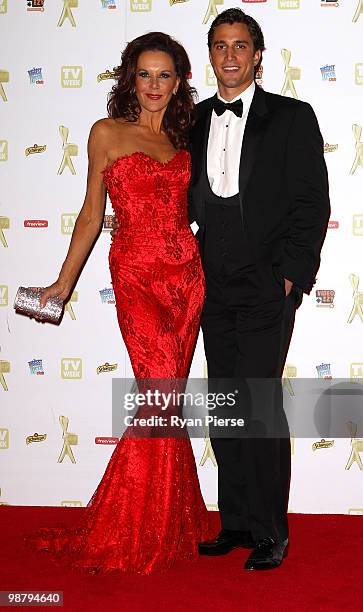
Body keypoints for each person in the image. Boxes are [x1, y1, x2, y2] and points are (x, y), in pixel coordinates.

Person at [26, 32, 216, 575]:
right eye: (144, 74)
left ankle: (168, 521)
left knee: (168, 401)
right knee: (158, 393)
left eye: (164, 75)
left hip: (187, 277)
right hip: (136, 274)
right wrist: (62, 284)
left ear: (178, 82)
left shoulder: (186, 138)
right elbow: (91, 214)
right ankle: (131, 524)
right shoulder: (107, 133)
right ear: (129, 79)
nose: (154, 85)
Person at [189, 8, 330, 570]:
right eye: (220, 46)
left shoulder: (294, 118)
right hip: (211, 286)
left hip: (267, 286)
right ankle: (237, 523)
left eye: (240, 46)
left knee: (259, 405)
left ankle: (272, 532)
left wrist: (292, 275)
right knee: (226, 405)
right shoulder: (194, 120)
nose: (230, 56)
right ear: (211, 55)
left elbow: (311, 202)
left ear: (257, 55)